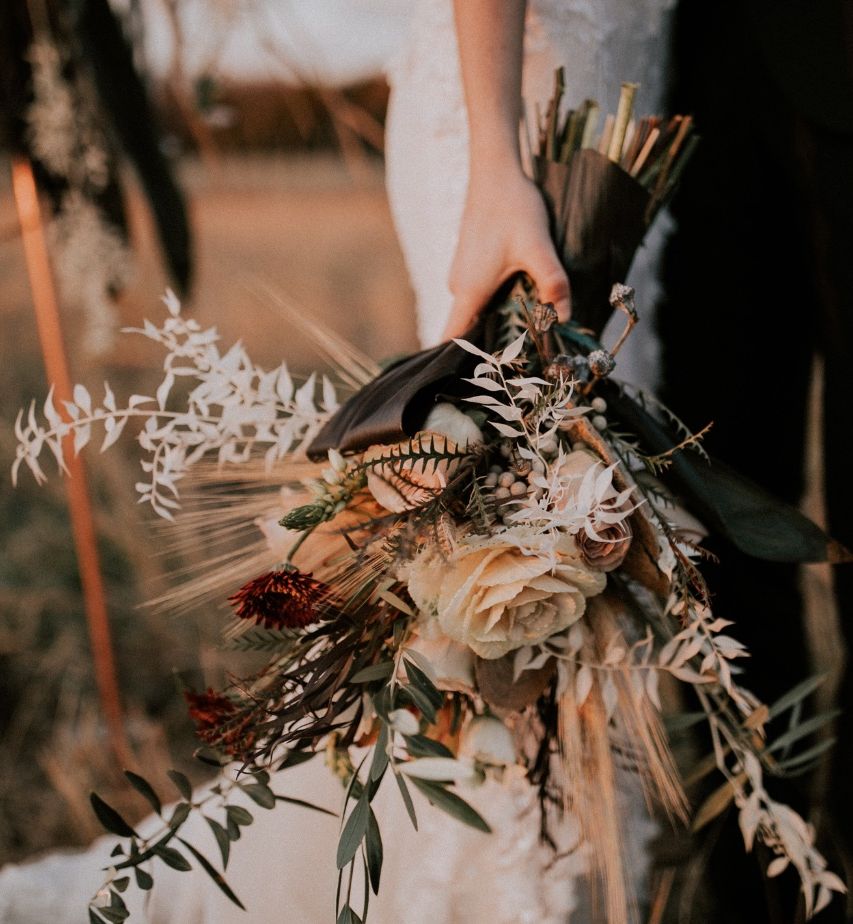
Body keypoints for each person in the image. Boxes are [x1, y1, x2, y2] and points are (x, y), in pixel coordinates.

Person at [0, 2, 676, 921]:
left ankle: (539, 859)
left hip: (592, 121)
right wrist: (496, 166)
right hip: (510, 129)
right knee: (513, 527)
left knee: (561, 539)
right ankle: (504, 883)